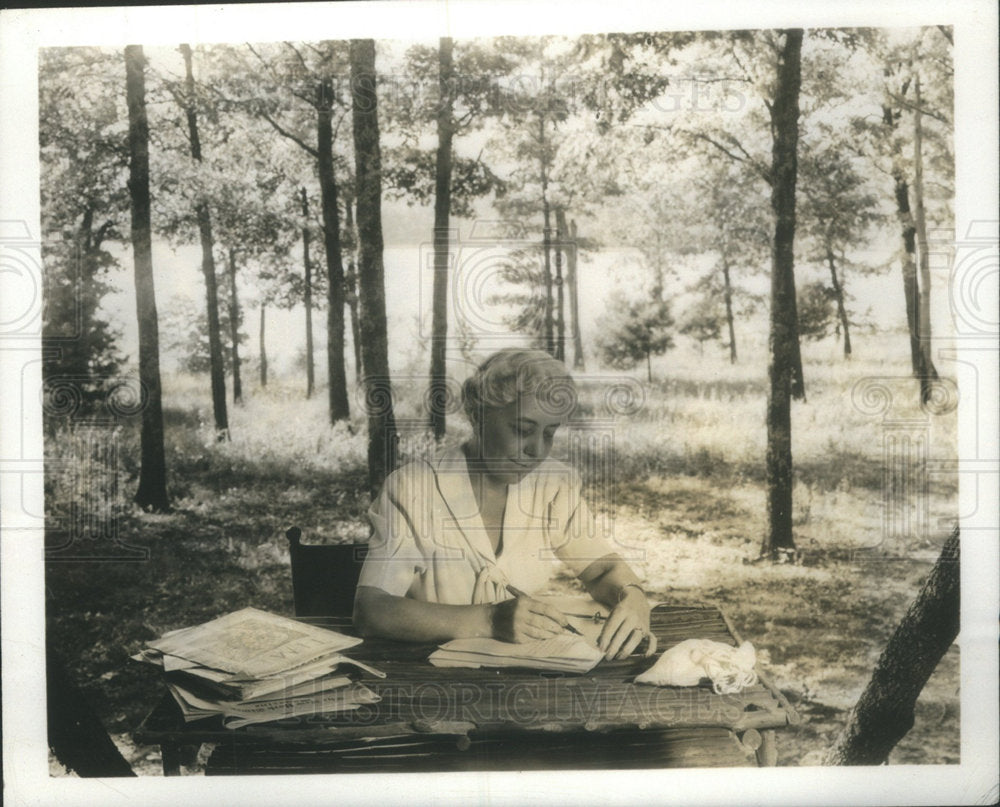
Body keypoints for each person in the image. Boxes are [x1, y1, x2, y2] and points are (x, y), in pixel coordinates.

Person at [353, 348, 656, 660]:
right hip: (425, 675)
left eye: (549, 434)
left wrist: (633, 597)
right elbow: (371, 610)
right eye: (522, 430)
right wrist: (487, 620)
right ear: (478, 415)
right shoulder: (413, 488)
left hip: (529, 673)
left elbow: (603, 571)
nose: (536, 450)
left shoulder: (553, 484)